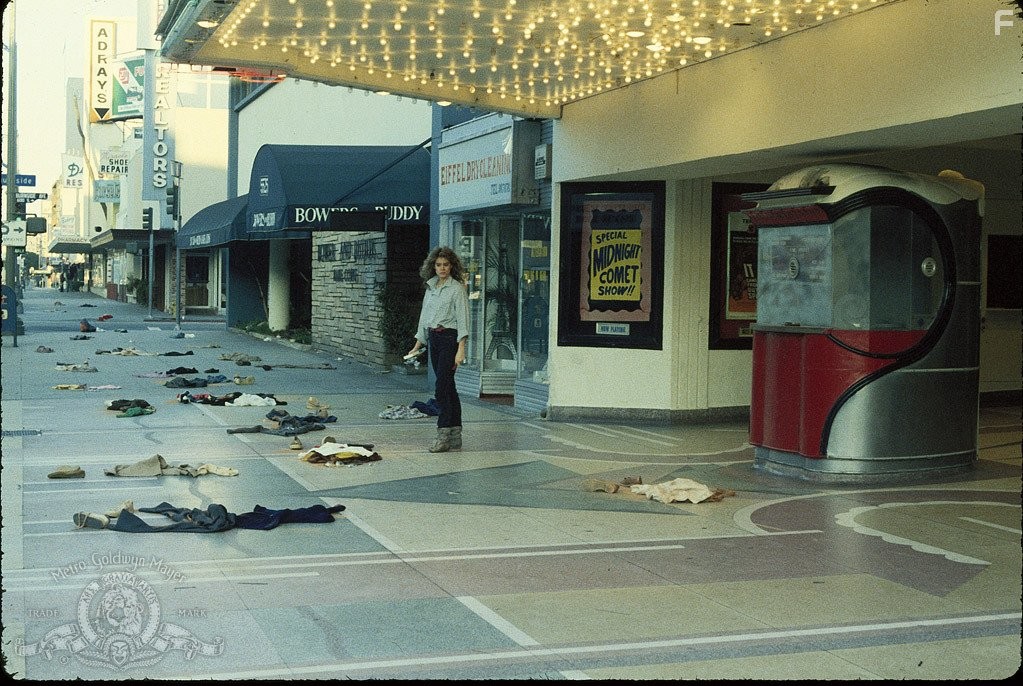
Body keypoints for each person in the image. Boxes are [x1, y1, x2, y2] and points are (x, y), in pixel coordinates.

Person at [407, 246, 470, 453]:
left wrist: (461, 349)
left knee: (441, 387)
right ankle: (455, 435)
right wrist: (418, 344)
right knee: (449, 387)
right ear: (433, 266)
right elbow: (424, 318)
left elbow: (463, 320)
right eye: (438, 265)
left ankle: (443, 434)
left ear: (452, 266)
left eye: (446, 265)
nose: (442, 268)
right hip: (433, 338)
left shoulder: (457, 289)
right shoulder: (431, 287)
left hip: (450, 339)